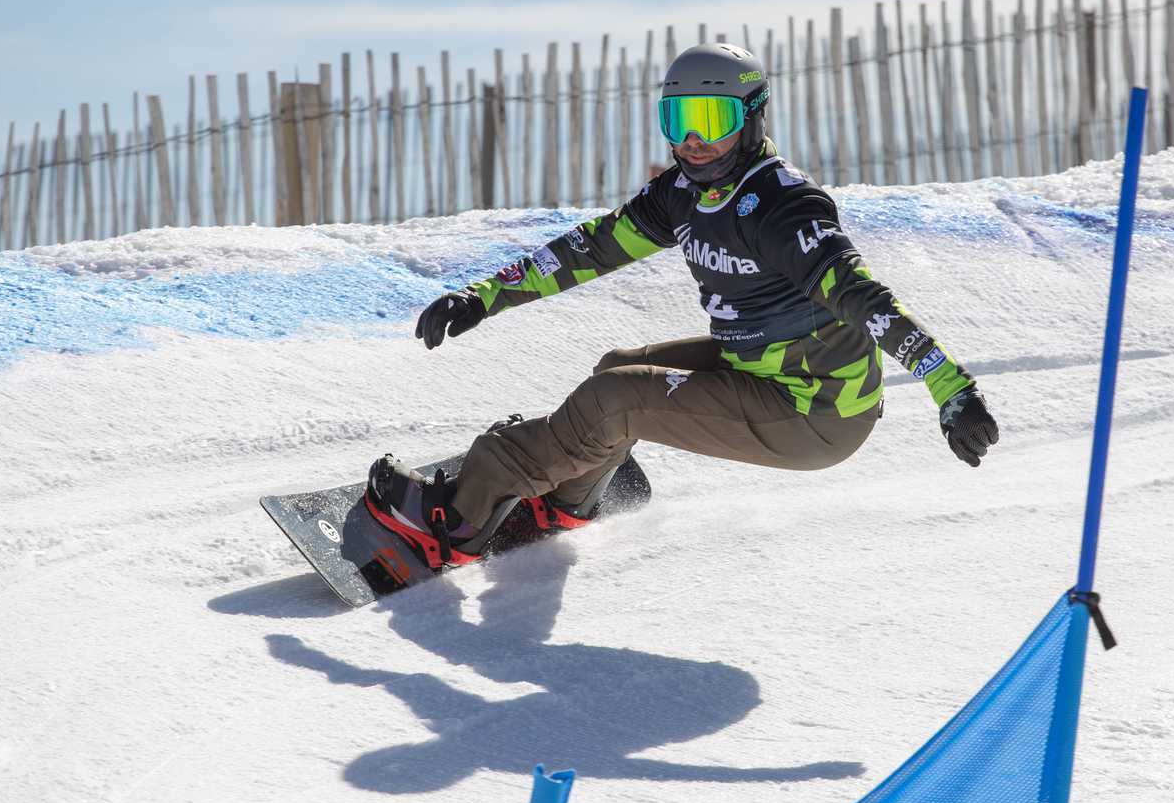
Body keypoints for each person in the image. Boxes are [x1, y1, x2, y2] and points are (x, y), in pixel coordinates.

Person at [365, 43, 999, 569]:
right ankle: (562, 501)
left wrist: (952, 389)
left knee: (617, 399)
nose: (693, 141)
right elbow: (590, 249)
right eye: (678, 120)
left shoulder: (783, 208)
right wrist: (482, 298)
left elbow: (863, 298)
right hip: (759, 370)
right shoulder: (682, 196)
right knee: (615, 369)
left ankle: (456, 523)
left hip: (816, 410)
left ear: (751, 119)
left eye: (712, 121)